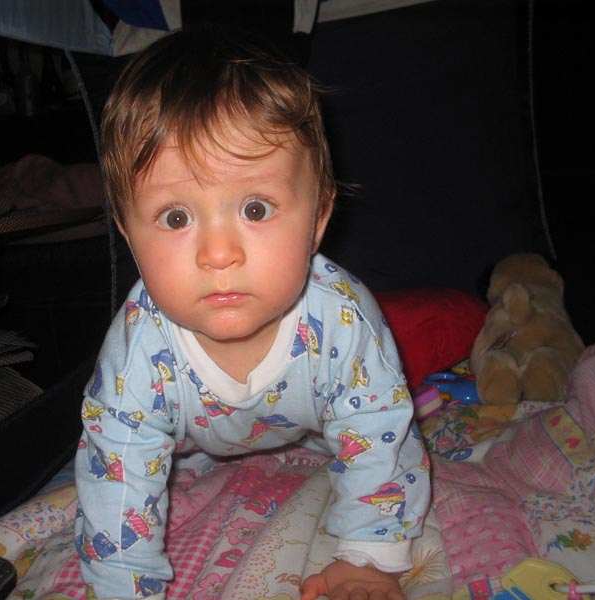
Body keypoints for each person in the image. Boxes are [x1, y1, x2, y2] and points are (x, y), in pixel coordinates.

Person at [74, 27, 430, 600]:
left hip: (310, 425)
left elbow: (378, 431)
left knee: (363, 428)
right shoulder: (137, 352)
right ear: (128, 233)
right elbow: (115, 479)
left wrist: (368, 558)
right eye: (175, 218)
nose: (219, 254)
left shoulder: (344, 323)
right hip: (189, 441)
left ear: (318, 217)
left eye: (256, 209)